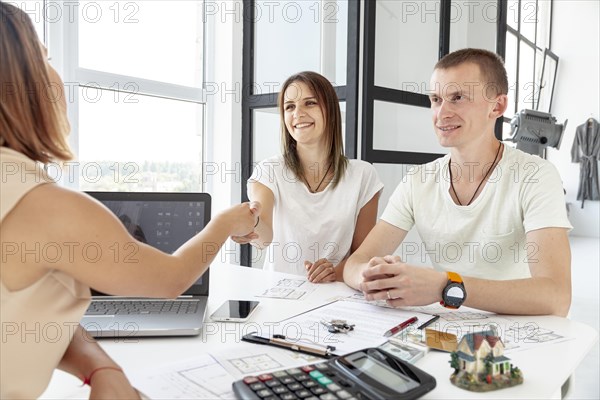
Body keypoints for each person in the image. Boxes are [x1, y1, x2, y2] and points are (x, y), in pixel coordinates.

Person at [0, 3, 260, 398]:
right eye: (45, 58)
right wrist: (225, 222)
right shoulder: (46, 207)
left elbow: (31, 313)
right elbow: (171, 278)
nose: (55, 73)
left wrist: (98, 364)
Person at [343, 48, 572, 316]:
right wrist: (372, 277)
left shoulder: (536, 176)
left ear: (496, 106)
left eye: (458, 98)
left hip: (515, 336)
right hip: (444, 330)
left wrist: (447, 286)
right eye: (436, 99)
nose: (442, 113)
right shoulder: (418, 181)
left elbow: (556, 297)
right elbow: (355, 263)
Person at [232, 71, 383, 283]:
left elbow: (363, 257)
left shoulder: (363, 175)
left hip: (339, 299)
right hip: (279, 300)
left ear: (330, 110)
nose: (298, 113)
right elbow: (264, 237)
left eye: (310, 103)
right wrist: (251, 225)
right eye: (289, 106)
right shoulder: (270, 170)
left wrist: (334, 273)